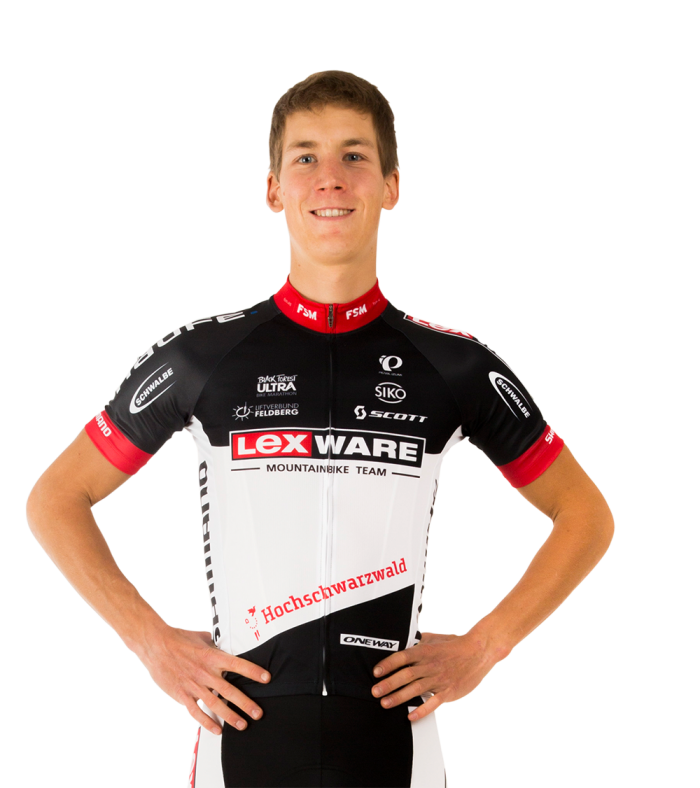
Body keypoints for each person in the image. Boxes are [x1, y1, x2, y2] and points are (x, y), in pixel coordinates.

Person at [25, 69, 615, 787]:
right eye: (305, 156)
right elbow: (56, 498)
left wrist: (486, 647)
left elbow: (586, 514)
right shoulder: (203, 355)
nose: (329, 177)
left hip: (397, 742)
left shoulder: (454, 363)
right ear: (274, 189)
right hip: (239, 737)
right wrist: (150, 642)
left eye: (353, 155)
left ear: (392, 185)